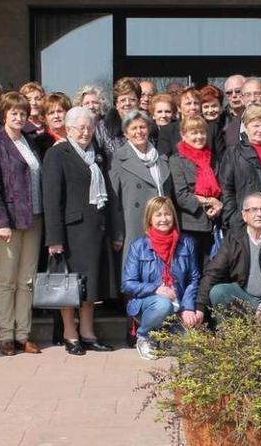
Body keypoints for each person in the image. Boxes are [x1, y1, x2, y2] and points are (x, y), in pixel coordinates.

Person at [43, 107, 121, 356]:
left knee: (92, 285)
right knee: (70, 285)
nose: (85, 132)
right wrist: (54, 238)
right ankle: (70, 334)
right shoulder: (57, 154)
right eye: (80, 128)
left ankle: (88, 333)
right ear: (68, 129)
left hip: (96, 230)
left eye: (89, 127)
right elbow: (51, 199)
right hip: (71, 231)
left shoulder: (95, 153)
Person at [0, 92, 44, 356]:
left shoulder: (30, 141)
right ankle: (6, 335)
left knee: (27, 280)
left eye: (22, 113)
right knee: (7, 279)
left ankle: (23, 334)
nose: (19, 117)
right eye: (14, 113)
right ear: (4, 115)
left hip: (34, 218)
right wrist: (1, 222)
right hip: (7, 222)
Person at [122, 197, 204, 360]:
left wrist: (188, 307)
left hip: (178, 304)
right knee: (162, 303)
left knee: (191, 346)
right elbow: (127, 284)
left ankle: (166, 334)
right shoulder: (139, 246)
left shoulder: (187, 243)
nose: (163, 219)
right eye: (158, 215)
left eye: (167, 214)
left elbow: (194, 279)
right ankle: (145, 336)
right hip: (148, 305)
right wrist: (156, 289)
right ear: (150, 219)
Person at [110, 110, 174, 268]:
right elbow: (114, 199)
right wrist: (117, 233)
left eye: (142, 127)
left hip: (162, 223)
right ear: (126, 133)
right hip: (133, 224)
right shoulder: (118, 158)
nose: (139, 132)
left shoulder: (161, 157)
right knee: (137, 269)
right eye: (133, 128)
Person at [169, 115, 223, 269]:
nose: (199, 137)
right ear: (183, 135)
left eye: (202, 132)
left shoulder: (213, 159)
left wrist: (219, 205)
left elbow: (222, 188)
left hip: (213, 224)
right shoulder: (177, 161)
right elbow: (181, 196)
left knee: (211, 269)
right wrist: (210, 201)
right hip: (190, 225)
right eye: (193, 133)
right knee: (191, 270)